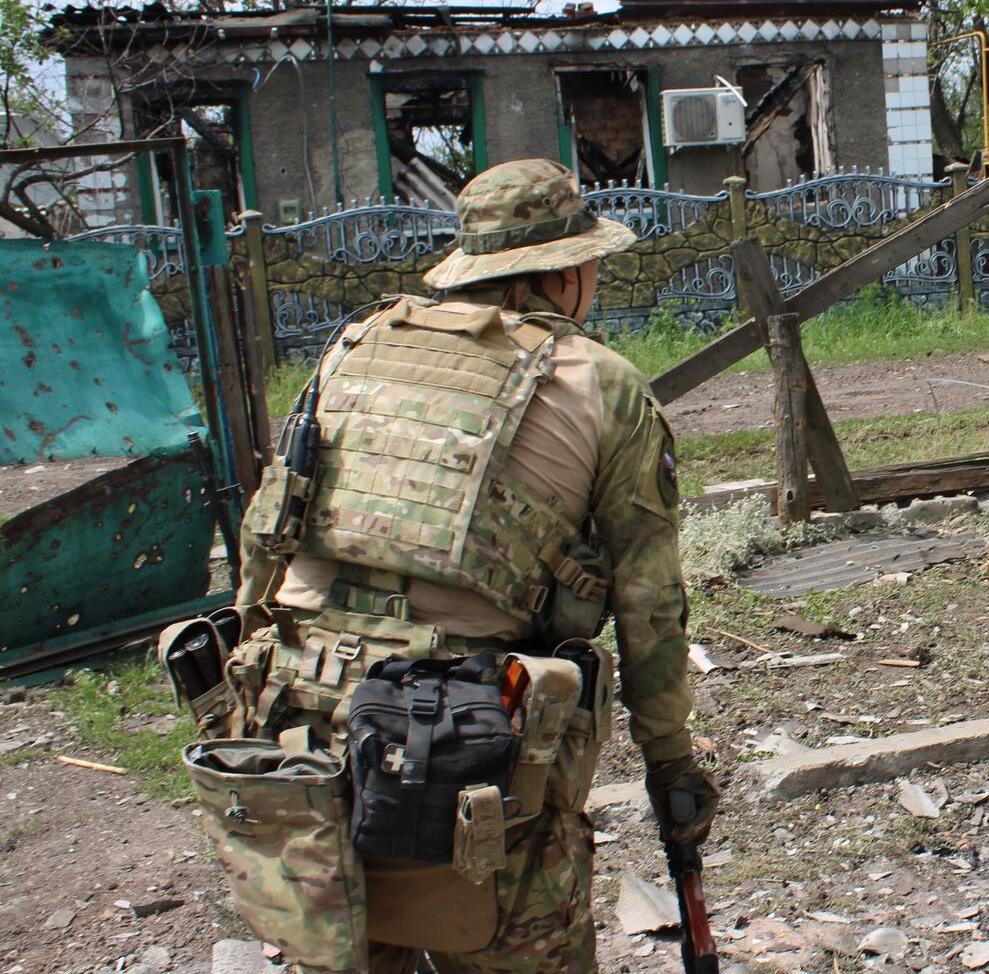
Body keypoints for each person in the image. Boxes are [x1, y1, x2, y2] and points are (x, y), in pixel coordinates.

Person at [205, 159, 718, 973]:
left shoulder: (351, 347)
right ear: (561, 273)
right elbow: (650, 603)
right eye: (589, 263)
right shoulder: (605, 385)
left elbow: (268, 537)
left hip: (294, 725)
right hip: (463, 741)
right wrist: (672, 765)